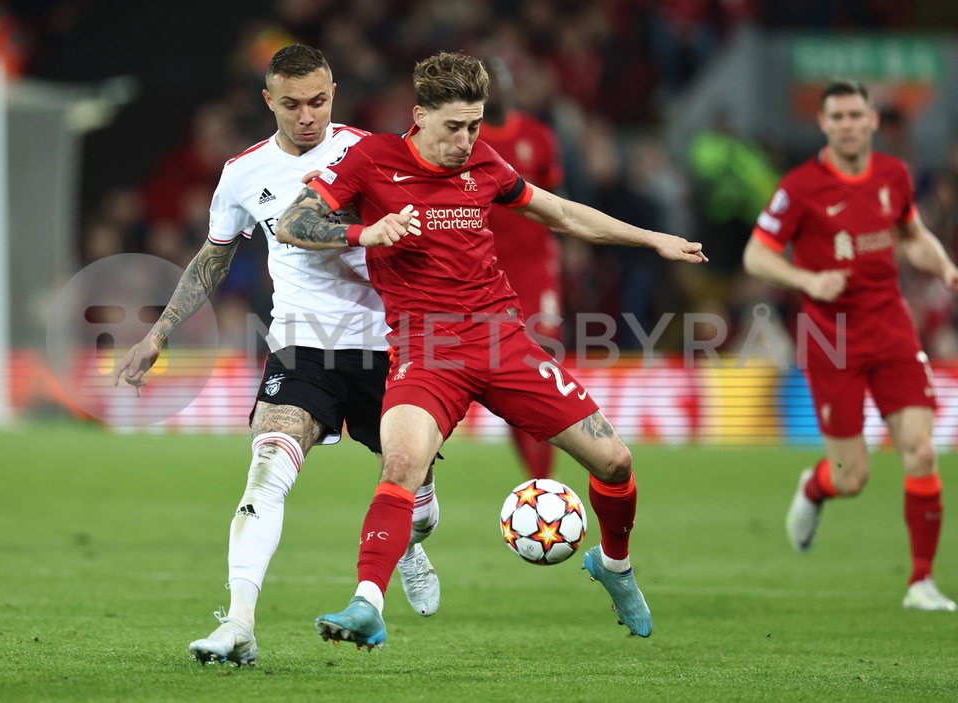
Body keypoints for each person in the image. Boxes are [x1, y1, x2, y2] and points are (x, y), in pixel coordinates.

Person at [275, 51, 707, 649]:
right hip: (426, 352)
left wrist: (652, 238)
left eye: (475, 124)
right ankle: (366, 603)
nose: (467, 139)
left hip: (504, 342)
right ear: (419, 115)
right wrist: (363, 232)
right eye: (454, 126)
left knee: (616, 463)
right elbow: (292, 222)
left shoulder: (482, 159)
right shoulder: (373, 159)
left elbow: (557, 212)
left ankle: (614, 565)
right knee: (399, 466)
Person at [111, 45, 443, 667]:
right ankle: (238, 623)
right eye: (291, 104)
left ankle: (410, 543)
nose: (307, 116)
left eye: (318, 101)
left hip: (386, 346)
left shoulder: (371, 151)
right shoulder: (241, 173)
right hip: (300, 347)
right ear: (269, 102)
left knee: (420, 498)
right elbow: (213, 257)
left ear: (334, 94)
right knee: (267, 468)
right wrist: (160, 332)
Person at [742, 78, 958, 612]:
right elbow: (756, 256)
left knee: (921, 450)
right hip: (830, 340)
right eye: (836, 116)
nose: (847, 124)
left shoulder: (892, 176)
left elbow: (912, 237)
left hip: (891, 328)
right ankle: (816, 488)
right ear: (823, 123)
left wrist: (945, 265)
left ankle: (920, 583)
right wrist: (809, 281)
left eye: (856, 115)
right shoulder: (800, 186)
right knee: (852, 476)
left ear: (872, 121)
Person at [478, 56, 564, 480]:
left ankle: (543, 482)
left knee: (541, 366)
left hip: (537, 271)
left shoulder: (538, 136)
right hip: (489, 276)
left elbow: (555, 197)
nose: (496, 89)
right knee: (509, 380)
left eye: (501, 80)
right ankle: (537, 478)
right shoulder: (466, 143)